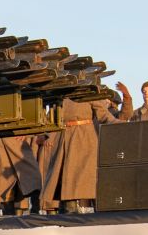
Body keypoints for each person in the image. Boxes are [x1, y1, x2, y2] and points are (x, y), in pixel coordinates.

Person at [42, 83, 130, 212]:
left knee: (87, 181)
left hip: (84, 140)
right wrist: (46, 135)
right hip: (63, 139)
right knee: (63, 181)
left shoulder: (91, 94)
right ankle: (67, 212)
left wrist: (122, 125)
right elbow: (50, 119)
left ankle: (97, 216)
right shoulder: (60, 93)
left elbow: (104, 117)